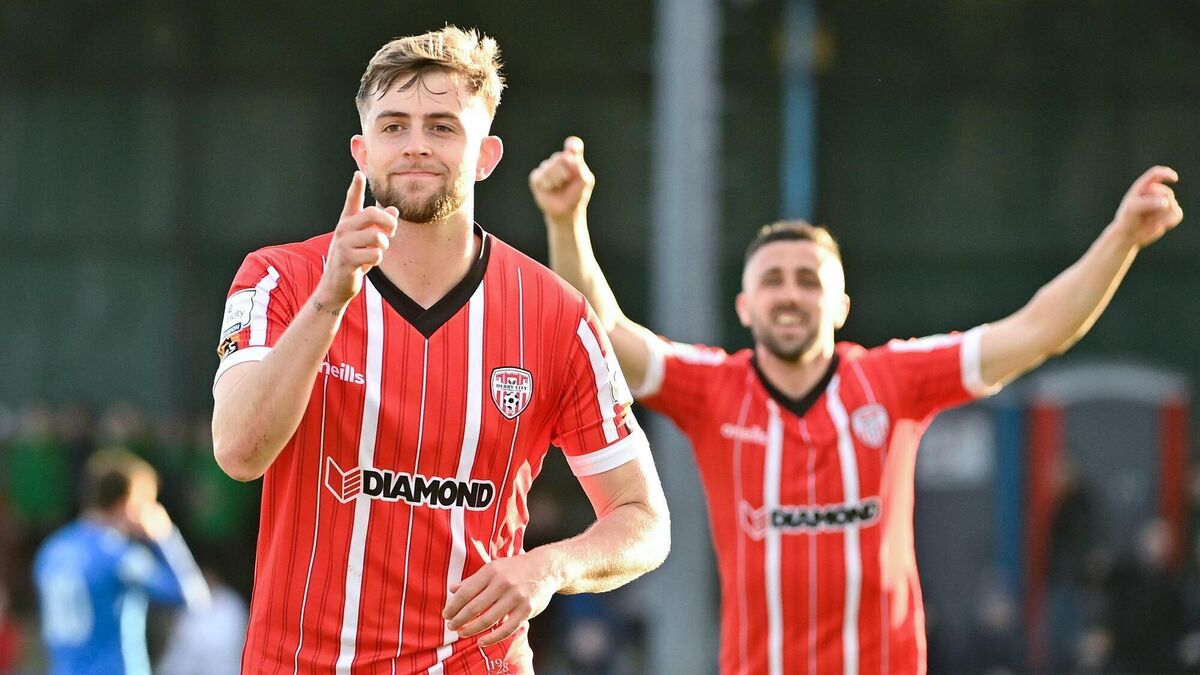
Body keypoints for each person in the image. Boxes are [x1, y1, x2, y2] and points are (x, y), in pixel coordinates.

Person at [531, 136, 1183, 674]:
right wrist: (566, 222)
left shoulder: (896, 378)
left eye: (809, 280)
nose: (791, 294)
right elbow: (604, 333)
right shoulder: (711, 388)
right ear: (746, 307)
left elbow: (1038, 331)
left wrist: (1121, 238)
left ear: (841, 304)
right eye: (773, 281)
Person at [210, 27, 669, 674]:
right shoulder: (279, 278)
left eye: (443, 127)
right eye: (394, 126)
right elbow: (238, 452)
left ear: (486, 155)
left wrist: (549, 567)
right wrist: (329, 302)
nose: (416, 145)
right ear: (362, 150)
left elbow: (644, 519)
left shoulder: (557, 315)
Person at [33, 448, 209, 675]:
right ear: (127, 503)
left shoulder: (52, 549)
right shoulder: (118, 555)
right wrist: (165, 536)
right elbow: (193, 597)